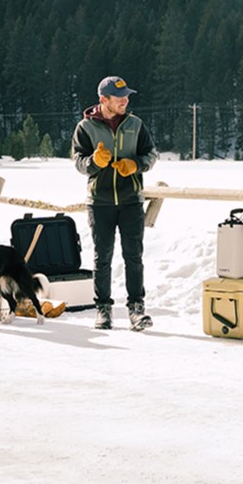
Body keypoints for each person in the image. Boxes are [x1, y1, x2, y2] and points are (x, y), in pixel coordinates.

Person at [71, 75, 157, 331]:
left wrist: (136, 165)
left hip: (131, 201)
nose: (125, 101)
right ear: (103, 100)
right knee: (102, 257)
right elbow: (78, 163)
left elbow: (151, 154)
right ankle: (103, 310)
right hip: (100, 202)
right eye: (120, 98)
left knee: (134, 256)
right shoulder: (85, 128)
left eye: (127, 96)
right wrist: (94, 162)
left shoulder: (136, 124)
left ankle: (136, 310)